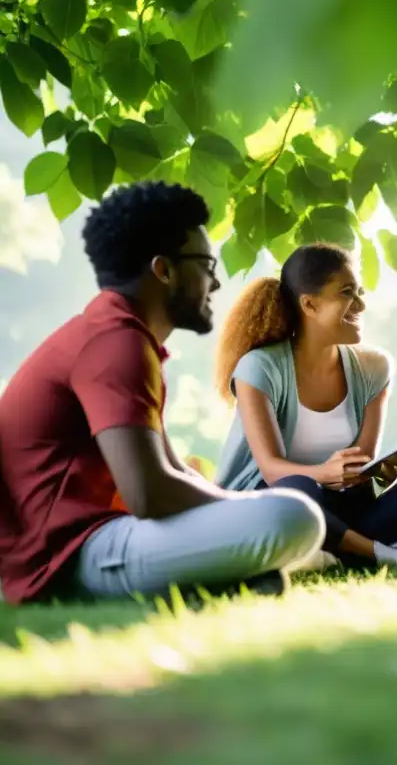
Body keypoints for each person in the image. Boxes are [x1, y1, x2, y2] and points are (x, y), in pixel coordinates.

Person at [0, 182, 325, 605]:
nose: (216, 283)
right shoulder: (114, 344)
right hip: (65, 559)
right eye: (207, 264)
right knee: (293, 516)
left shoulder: (117, 336)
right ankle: (242, 569)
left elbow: (170, 467)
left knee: (283, 520)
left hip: (89, 545)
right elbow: (148, 492)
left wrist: (231, 507)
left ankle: (230, 577)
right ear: (164, 270)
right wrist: (233, 508)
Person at [213, 243, 397, 574]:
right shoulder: (259, 367)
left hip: (339, 512)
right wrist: (325, 473)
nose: (361, 304)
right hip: (269, 505)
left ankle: (337, 556)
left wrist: (377, 470)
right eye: (347, 293)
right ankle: (386, 555)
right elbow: (270, 470)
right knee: (298, 489)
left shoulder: (374, 367)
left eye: (361, 292)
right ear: (309, 304)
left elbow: (360, 465)